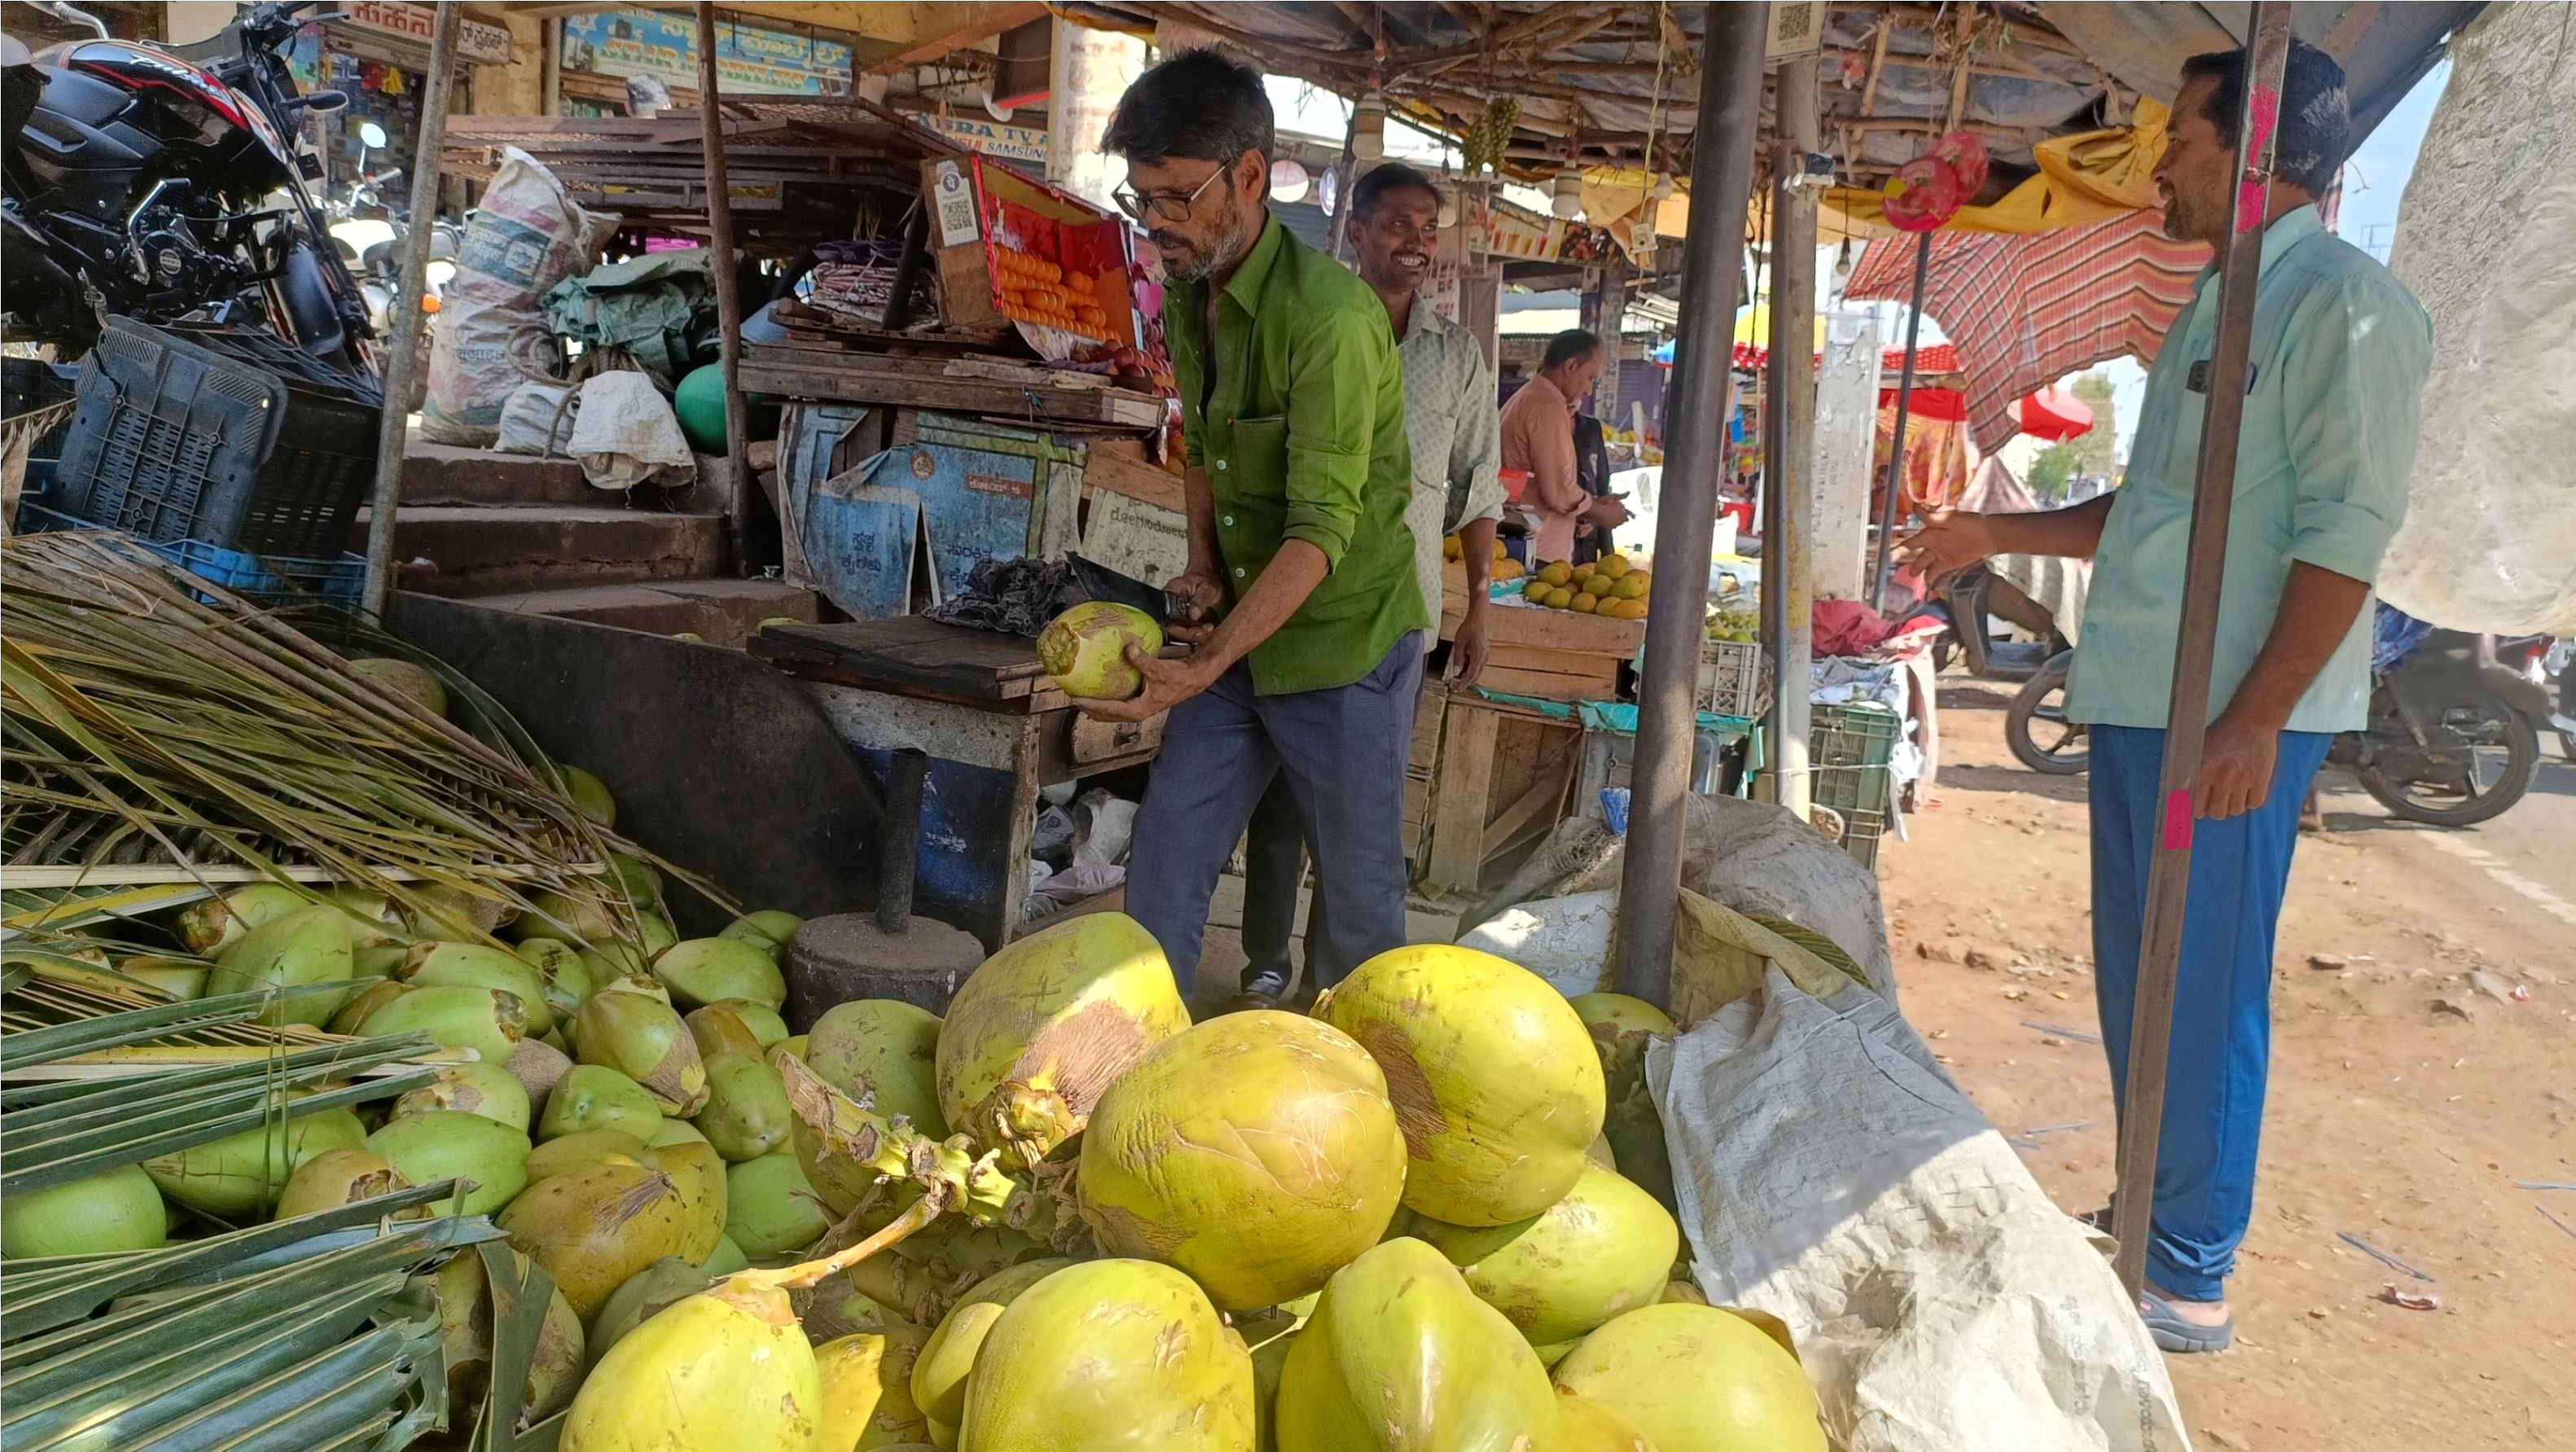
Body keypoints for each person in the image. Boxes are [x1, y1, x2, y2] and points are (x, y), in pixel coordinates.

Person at [1898, 39, 2430, 1354]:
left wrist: (2253, 717)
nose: (2157, 166)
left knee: (2200, 985)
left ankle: (2185, 1266)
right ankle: (2143, 1211)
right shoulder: (2216, 301)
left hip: (2224, 721)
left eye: (2180, 139)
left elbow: (2342, 534)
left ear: (2251, 152)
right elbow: (2154, 515)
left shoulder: (2342, 310)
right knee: (2139, 976)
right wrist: (1991, 536)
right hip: (2147, 701)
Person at [1079, 49, 1427, 1004]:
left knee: (1358, 907)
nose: (1155, 222)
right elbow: (1202, 451)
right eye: (1140, 197)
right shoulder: (1191, 296)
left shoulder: (1333, 323)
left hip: (1346, 644)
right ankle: (1132, 1062)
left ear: (1247, 176)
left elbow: (1318, 532)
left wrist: (1201, 663)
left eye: (1175, 198)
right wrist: (1202, 570)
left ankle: (1364, 1101)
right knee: (1163, 864)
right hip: (1237, 647)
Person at [1237, 160, 1509, 1007]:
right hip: (1296, 601)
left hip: (1397, 615)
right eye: (1398, 223)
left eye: (1429, 228)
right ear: (1353, 230)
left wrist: (1479, 609)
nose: (1417, 241)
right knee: (1280, 799)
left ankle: (1332, 982)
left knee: (1357, 817)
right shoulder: (1308, 325)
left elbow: (1477, 486)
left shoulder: (1456, 355)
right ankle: (1262, 959)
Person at [1502, 329, 1628, 564]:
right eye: (1590, 377)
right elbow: (1558, 491)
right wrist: (1602, 513)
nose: (1589, 390)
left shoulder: (1528, 397)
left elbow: (1544, 484)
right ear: (1570, 367)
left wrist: (1586, 508)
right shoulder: (1547, 407)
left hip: (1526, 545)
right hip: (1536, 554)